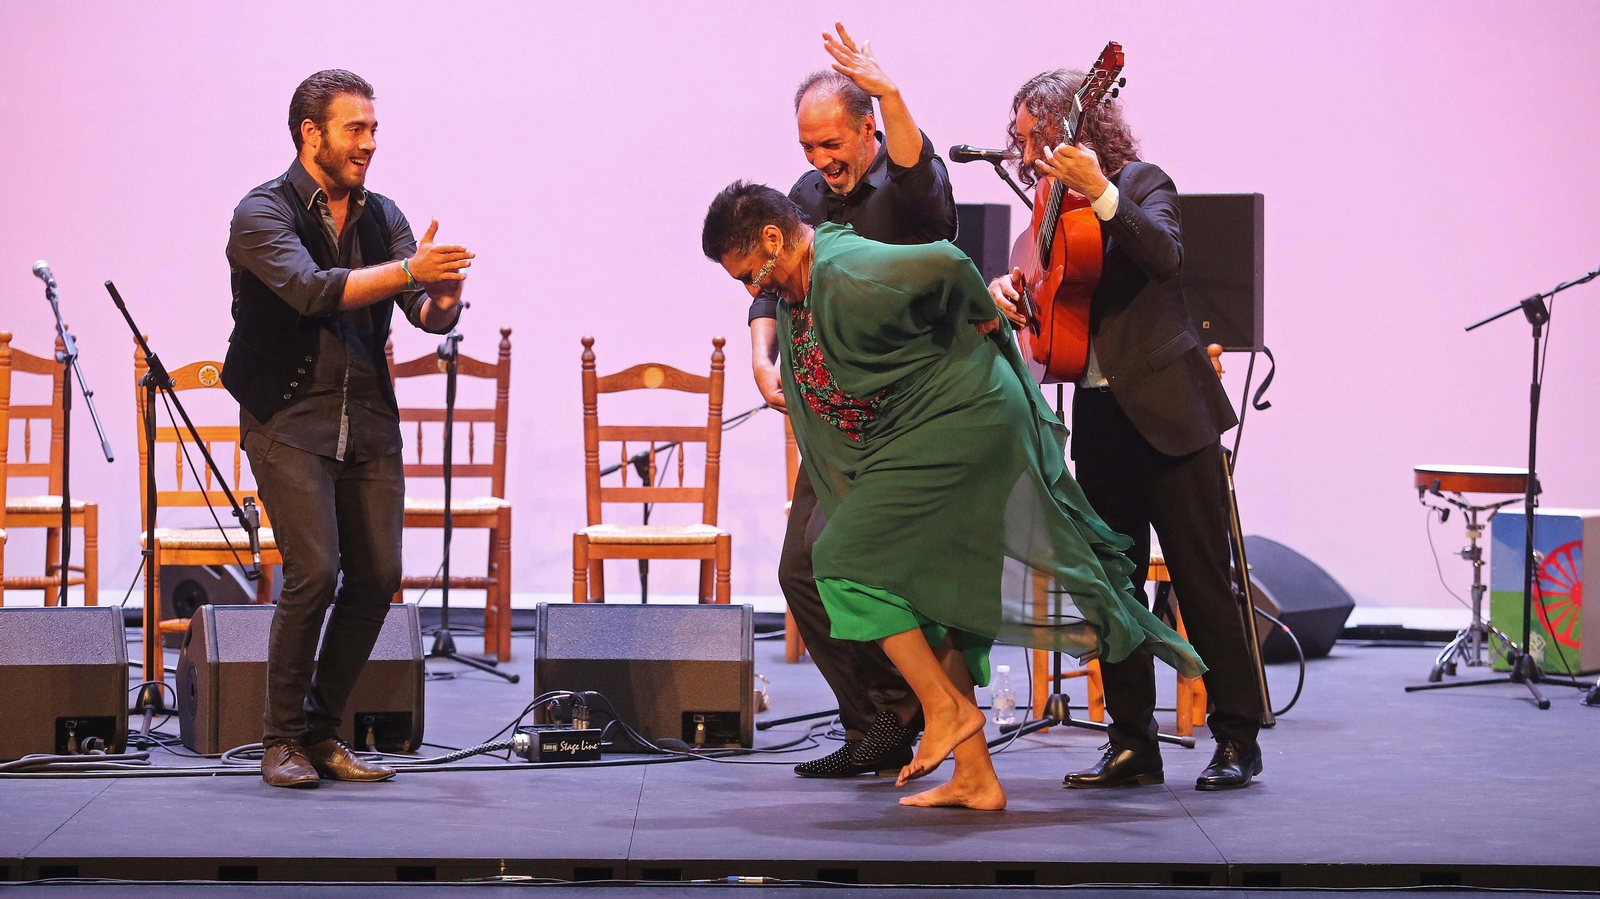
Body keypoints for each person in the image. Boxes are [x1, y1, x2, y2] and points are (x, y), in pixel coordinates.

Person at [702, 182, 1204, 810]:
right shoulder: (805, 286)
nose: (754, 292)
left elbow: (946, 259)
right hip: (932, 427)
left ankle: (943, 710)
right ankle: (975, 777)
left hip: (966, 422)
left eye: (751, 274)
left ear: (775, 239)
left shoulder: (848, 267)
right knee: (931, 593)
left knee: (840, 562)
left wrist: (982, 309)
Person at [988, 70, 1266, 791]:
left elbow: (1166, 255)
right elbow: (1060, 308)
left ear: (1064, 128)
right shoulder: (1048, 209)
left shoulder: (1143, 182)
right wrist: (1022, 298)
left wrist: (1103, 194)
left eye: (1027, 138)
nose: (1021, 153)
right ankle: (1133, 742)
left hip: (1173, 416)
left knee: (1204, 582)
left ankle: (1237, 737)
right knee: (1112, 588)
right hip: (1103, 420)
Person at [224, 69, 473, 788]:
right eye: (354, 129)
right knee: (314, 571)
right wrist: (407, 272)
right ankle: (280, 740)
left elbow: (420, 311)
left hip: (366, 417)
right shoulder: (261, 212)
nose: (369, 142)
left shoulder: (379, 212)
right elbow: (309, 291)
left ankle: (322, 731)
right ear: (312, 133)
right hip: (288, 413)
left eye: (373, 128)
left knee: (377, 576)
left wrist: (445, 300)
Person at [750, 23, 958, 779]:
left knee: (854, 561)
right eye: (807, 149)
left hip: (908, 418)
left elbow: (913, 162)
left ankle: (919, 714)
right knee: (800, 571)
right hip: (834, 420)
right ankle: (877, 720)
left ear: (869, 128)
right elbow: (771, 274)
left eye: (831, 145)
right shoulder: (807, 197)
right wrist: (760, 352)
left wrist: (893, 90)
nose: (819, 163)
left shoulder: (908, 186)